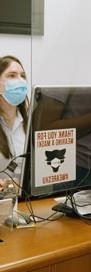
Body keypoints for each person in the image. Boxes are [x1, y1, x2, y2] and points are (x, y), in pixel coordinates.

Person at [0, 55, 29, 191]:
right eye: (12, 75)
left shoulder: (31, 123)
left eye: (22, 76)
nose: (20, 81)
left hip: (28, 202)